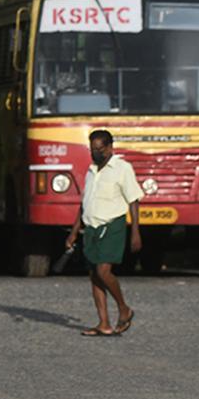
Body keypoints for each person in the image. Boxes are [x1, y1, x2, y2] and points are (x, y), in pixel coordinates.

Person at [65, 130, 143, 336]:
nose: (96, 153)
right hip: (91, 227)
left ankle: (124, 309)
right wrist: (74, 232)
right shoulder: (92, 171)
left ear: (109, 147)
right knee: (94, 276)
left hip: (112, 226)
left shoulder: (122, 168)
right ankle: (104, 324)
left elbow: (134, 200)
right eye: (92, 149)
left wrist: (135, 231)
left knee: (103, 271)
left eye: (100, 149)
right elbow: (85, 205)